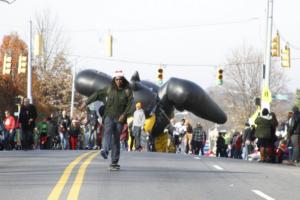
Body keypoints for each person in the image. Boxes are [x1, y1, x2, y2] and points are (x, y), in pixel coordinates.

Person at [81, 69, 133, 170]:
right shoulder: (109, 89)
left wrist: (124, 114)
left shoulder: (127, 91)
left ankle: (114, 162)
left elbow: (130, 105)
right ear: (114, 79)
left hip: (120, 118)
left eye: (120, 79)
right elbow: (97, 94)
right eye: (117, 79)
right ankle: (104, 149)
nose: (118, 81)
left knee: (116, 139)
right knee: (107, 132)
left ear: (123, 79)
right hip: (109, 115)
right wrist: (86, 102)